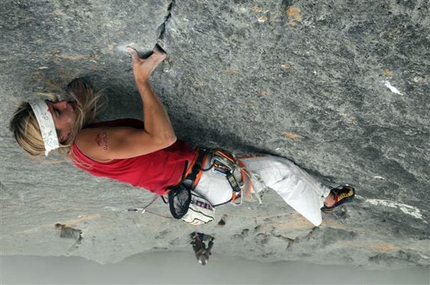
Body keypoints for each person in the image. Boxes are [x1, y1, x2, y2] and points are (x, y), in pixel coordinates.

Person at [9, 45, 355, 227]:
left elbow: (116, 142)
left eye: (52, 103)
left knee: (274, 172)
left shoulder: (80, 145)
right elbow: (159, 139)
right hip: (206, 181)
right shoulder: (86, 143)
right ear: (62, 134)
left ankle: (324, 200)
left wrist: (77, 101)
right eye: (56, 112)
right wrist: (142, 81)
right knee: (280, 171)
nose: (60, 103)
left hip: (196, 179)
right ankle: (323, 204)